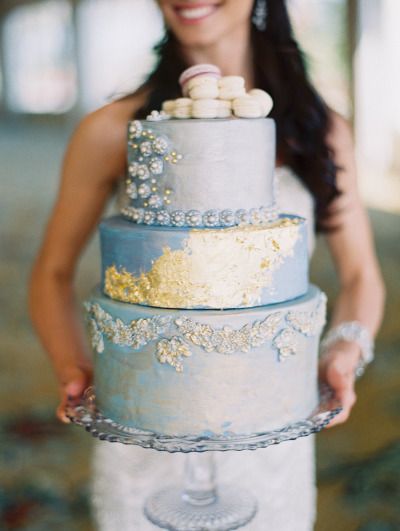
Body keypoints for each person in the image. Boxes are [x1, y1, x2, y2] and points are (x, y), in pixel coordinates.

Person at [29, 0, 385, 529]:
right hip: (145, 413)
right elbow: (52, 274)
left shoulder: (320, 128)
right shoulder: (113, 129)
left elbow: (360, 275)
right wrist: (75, 369)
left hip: (271, 413)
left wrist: (345, 349)